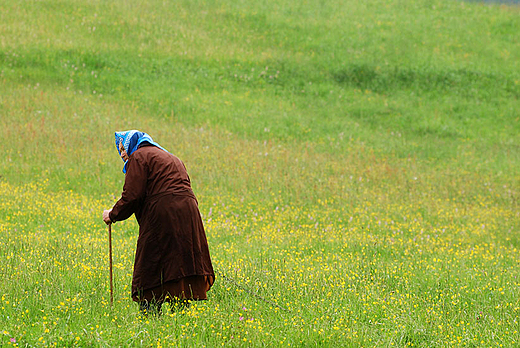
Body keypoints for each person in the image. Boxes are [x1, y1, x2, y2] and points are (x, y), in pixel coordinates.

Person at [102, 130, 215, 314]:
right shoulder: (171, 157)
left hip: (163, 211)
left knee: (152, 258)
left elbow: (132, 196)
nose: (122, 154)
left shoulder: (138, 157)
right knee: (179, 258)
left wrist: (112, 214)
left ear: (134, 143)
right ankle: (181, 310)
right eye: (119, 150)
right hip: (189, 212)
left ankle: (150, 311)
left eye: (124, 148)